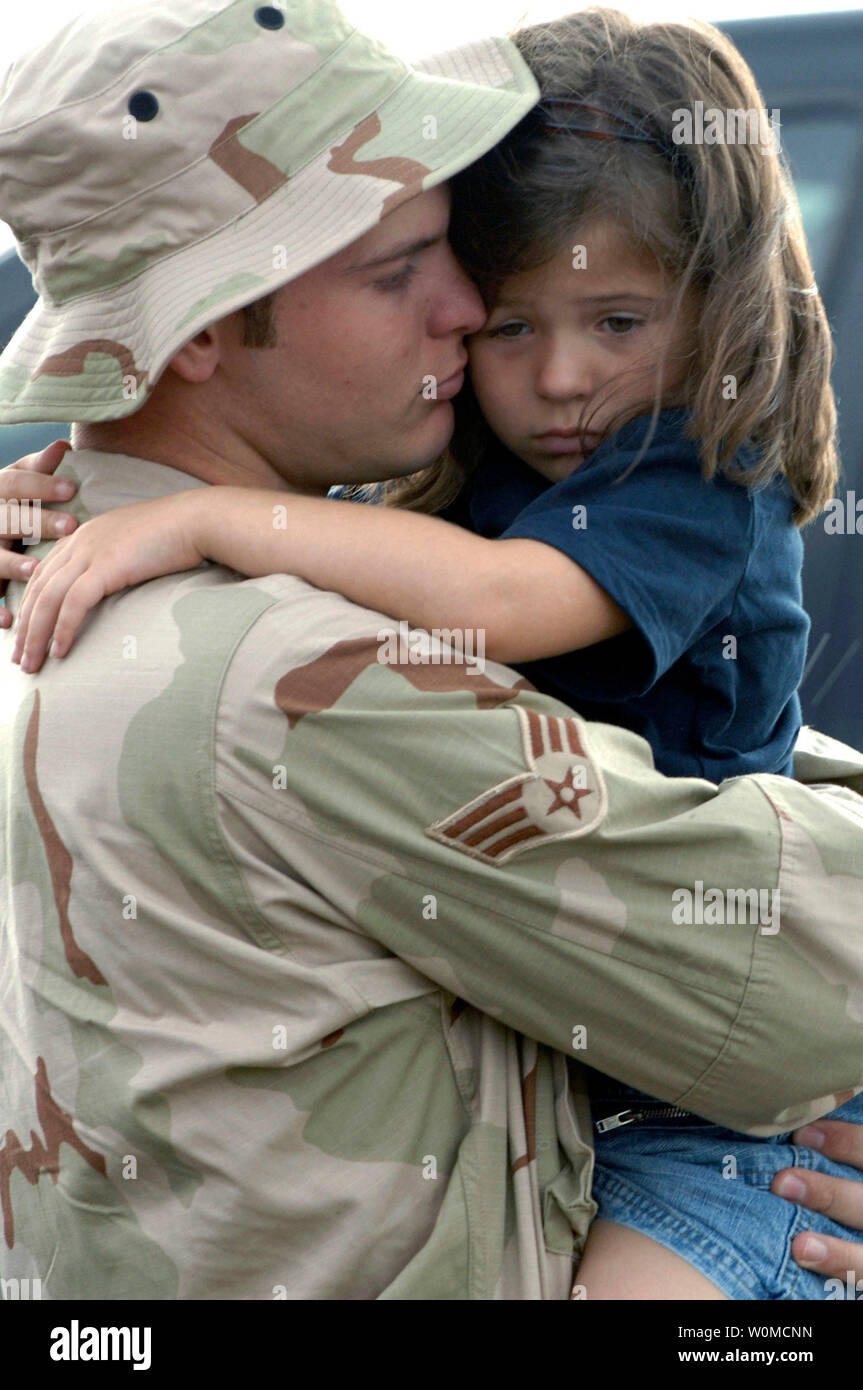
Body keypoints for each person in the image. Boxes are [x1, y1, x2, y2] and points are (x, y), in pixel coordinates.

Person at [1, 0, 863, 1301]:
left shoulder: (62, 568)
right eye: (398, 269)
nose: (469, 306)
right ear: (199, 336)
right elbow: (807, 995)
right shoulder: (298, 672)